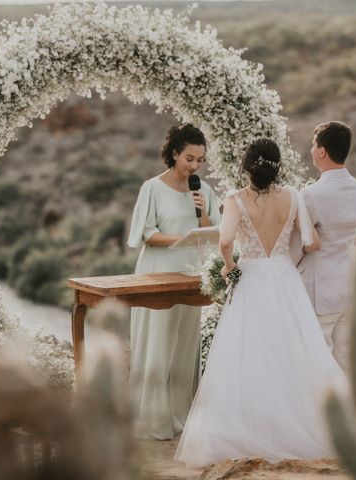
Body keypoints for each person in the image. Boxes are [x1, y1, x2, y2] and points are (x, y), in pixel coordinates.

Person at [175, 138, 345, 467]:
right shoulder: (294, 196)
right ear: (277, 166)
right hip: (284, 279)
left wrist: (229, 266)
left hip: (251, 279)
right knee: (292, 352)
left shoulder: (235, 199)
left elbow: (225, 240)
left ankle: (252, 428)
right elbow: (312, 244)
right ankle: (297, 423)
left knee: (248, 355)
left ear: (247, 166)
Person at [127, 124, 222, 440]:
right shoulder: (151, 188)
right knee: (158, 342)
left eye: (200, 160)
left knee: (184, 343)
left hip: (189, 273)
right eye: (189, 159)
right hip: (157, 270)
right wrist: (181, 239)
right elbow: (147, 234)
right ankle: (152, 418)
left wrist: (203, 214)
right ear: (173, 154)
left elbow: (215, 233)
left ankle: (180, 413)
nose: (195, 166)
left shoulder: (203, 191)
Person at [294, 121, 356, 370]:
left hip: (320, 288)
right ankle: (347, 406)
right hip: (349, 281)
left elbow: (303, 243)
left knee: (318, 355)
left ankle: (321, 408)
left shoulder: (311, 194)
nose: (312, 150)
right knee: (346, 358)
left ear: (322, 151)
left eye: (314, 145)